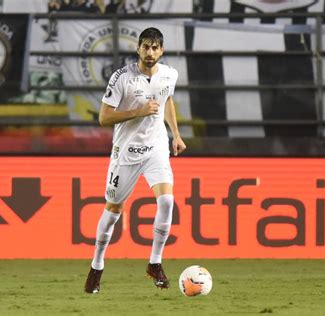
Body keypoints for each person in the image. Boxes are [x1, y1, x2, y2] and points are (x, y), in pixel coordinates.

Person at [84, 27, 186, 294]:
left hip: (156, 149)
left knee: (167, 201)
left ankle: (155, 263)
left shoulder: (169, 74)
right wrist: (138, 111)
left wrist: (175, 134)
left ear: (161, 50)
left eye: (155, 47)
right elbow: (104, 118)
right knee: (113, 212)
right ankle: (96, 266)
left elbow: (168, 101)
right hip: (126, 153)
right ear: (138, 49)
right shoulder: (122, 78)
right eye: (145, 47)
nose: (150, 52)